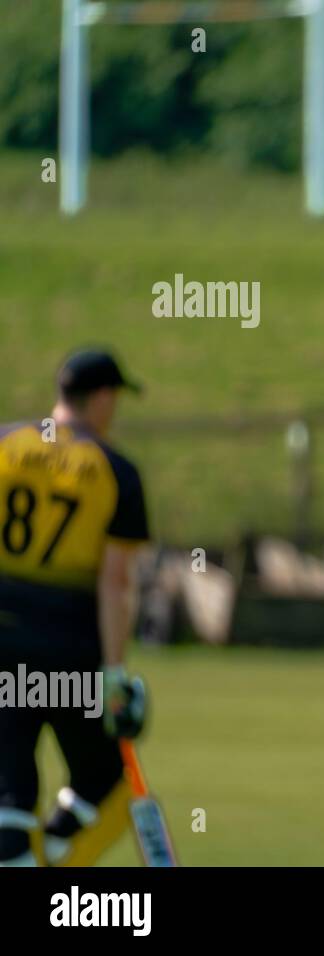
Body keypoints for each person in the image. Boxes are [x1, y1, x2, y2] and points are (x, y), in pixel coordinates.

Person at [0, 349, 151, 866]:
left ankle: (32, 847)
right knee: (103, 781)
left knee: (10, 796)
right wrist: (113, 674)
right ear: (103, 397)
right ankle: (58, 847)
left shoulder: (4, 443)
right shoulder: (116, 470)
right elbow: (116, 583)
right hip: (70, 649)